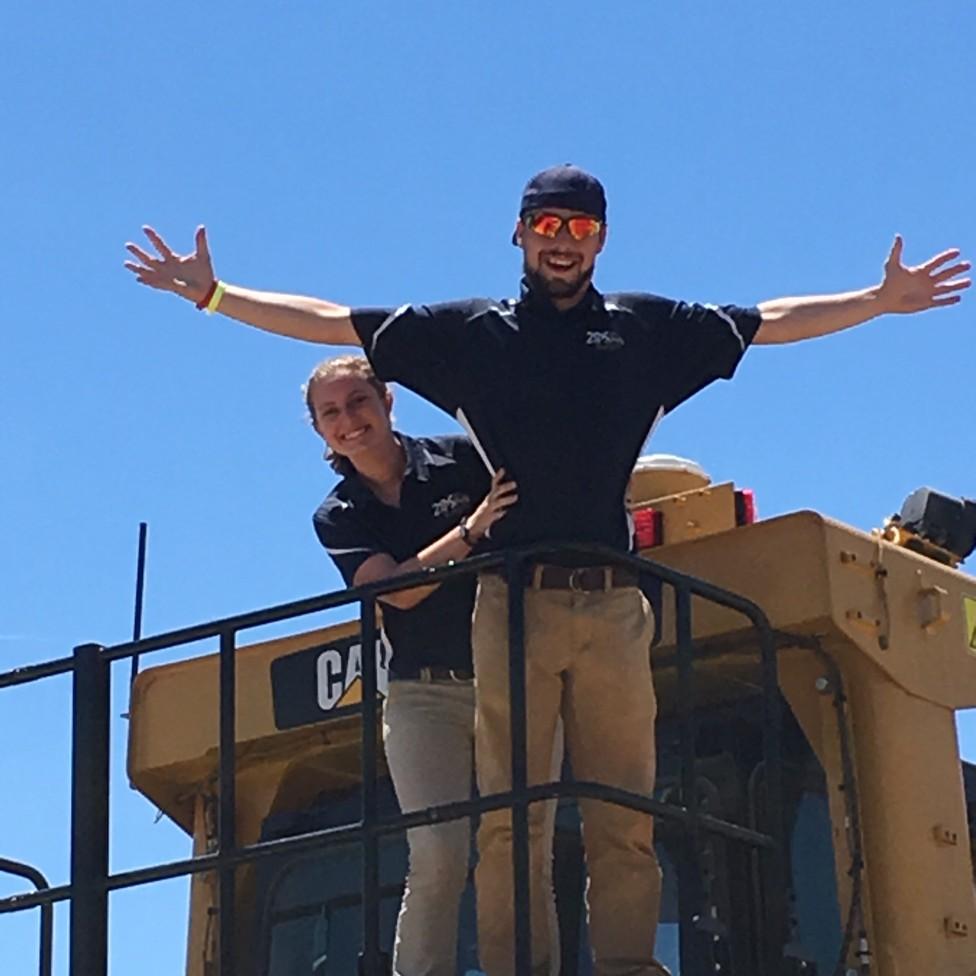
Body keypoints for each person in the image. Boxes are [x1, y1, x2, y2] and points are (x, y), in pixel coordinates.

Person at [125, 164, 969, 976]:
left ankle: (628, 966)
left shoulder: (647, 331)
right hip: (512, 605)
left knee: (625, 809)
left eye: (580, 226)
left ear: (600, 239)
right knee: (510, 816)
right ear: (520, 233)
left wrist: (877, 300)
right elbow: (333, 323)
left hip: (615, 605)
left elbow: (769, 320)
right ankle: (517, 968)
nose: (562, 240)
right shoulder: (470, 335)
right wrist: (216, 295)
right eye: (547, 224)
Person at [304, 353, 517, 976]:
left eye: (358, 401)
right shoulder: (337, 515)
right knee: (439, 850)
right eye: (330, 412)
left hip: (510, 675)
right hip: (422, 694)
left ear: (388, 400)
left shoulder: (465, 459)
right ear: (319, 430)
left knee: (517, 840)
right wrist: (471, 530)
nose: (349, 420)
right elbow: (394, 593)